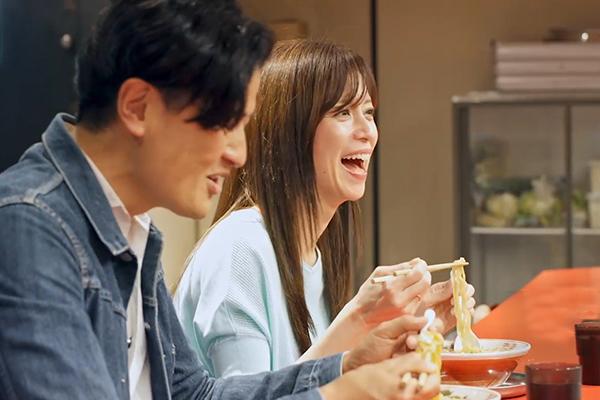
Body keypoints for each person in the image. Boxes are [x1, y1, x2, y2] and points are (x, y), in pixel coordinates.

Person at [0, 1, 440, 399]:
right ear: (138, 107)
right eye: (224, 124)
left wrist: (346, 366)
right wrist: (337, 394)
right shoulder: (30, 226)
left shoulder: (133, 228)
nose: (238, 154)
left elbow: (196, 394)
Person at [174, 40, 475, 379]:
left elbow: (326, 383)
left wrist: (403, 331)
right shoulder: (240, 248)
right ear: (290, 130)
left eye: (368, 113)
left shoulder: (316, 253)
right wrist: (359, 319)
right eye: (343, 112)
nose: (368, 132)